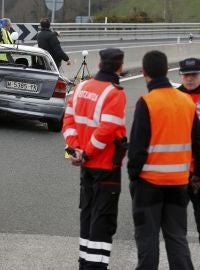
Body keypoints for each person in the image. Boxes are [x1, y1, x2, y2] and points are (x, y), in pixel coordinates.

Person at [127, 50, 200, 270]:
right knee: (177, 238)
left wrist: (133, 176)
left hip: (149, 183)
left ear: (144, 73)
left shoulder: (147, 103)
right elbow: (197, 143)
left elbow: (137, 148)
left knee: (148, 239)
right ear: (168, 71)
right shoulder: (186, 102)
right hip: (179, 182)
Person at [62, 48, 127, 269]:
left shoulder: (81, 88)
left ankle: (84, 264)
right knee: (103, 222)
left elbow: (68, 123)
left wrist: (77, 150)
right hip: (105, 166)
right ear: (120, 67)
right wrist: (88, 152)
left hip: (86, 167)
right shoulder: (114, 93)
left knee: (88, 217)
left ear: (99, 64)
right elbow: (107, 130)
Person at [177, 57, 200, 244]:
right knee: (175, 226)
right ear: (180, 76)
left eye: (194, 75)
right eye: (186, 75)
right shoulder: (174, 97)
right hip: (179, 172)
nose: (190, 79)